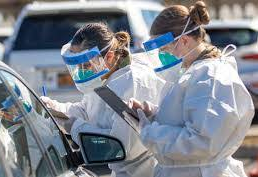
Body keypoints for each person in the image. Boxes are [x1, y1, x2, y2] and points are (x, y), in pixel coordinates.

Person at [129, 1, 255, 177]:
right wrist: (153, 115)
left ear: (184, 40)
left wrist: (149, 132)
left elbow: (200, 142)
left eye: (164, 48)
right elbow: (187, 118)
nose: (161, 55)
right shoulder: (194, 72)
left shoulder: (210, 77)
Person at [41, 23, 168, 177]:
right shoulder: (104, 76)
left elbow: (120, 146)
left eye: (86, 64)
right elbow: (88, 111)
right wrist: (53, 107)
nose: (82, 71)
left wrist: (76, 128)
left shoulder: (131, 83)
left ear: (109, 56)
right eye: (77, 66)